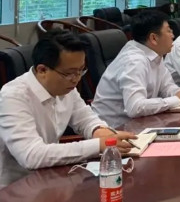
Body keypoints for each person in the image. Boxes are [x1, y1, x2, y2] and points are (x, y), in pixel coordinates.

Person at [0, 29, 136, 187]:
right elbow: (31, 155)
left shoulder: (66, 88)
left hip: (51, 177)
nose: (76, 79)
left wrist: (100, 131)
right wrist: (98, 145)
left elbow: (86, 119)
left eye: (81, 70)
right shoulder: (13, 96)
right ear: (42, 70)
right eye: (70, 73)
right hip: (15, 188)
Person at [92, 10, 180, 128]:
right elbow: (135, 107)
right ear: (154, 38)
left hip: (140, 124)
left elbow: (166, 87)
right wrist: (177, 99)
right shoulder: (134, 61)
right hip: (114, 130)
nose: (173, 36)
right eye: (169, 31)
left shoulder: (155, 54)